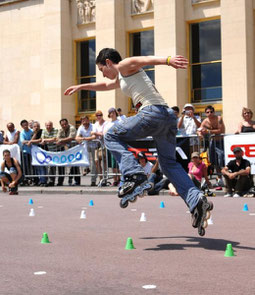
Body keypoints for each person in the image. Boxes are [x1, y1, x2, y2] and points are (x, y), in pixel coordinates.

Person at [64, 48, 213, 235]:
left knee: (111, 135)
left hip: (151, 114)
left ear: (109, 62)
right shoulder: (123, 77)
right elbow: (105, 85)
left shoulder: (124, 66)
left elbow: (142, 59)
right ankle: (196, 199)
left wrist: (167, 60)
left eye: (102, 69)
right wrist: (81, 87)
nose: (104, 74)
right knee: (167, 164)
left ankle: (134, 175)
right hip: (167, 119)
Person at [198, 105, 225, 189]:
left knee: (221, 159)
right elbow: (199, 129)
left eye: (211, 112)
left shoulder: (219, 118)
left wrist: (208, 131)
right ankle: (218, 178)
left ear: (214, 112)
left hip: (220, 141)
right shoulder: (205, 121)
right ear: (205, 113)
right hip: (212, 142)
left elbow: (221, 130)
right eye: (207, 112)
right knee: (213, 161)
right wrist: (200, 134)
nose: (210, 113)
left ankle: (223, 177)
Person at [56, 118, 80, 186]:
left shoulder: (72, 128)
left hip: (74, 149)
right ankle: (61, 181)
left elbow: (71, 137)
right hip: (65, 149)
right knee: (61, 165)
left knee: (75, 165)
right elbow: (57, 138)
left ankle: (76, 181)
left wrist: (61, 141)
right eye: (62, 125)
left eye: (65, 124)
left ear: (67, 123)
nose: (64, 126)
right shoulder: (60, 130)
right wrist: (63, 143)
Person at [76, 116, 98, 186]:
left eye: (85, 120)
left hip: (94, 145)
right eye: (83, 121)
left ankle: (93, 180)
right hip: (86, 146)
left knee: (95, 162)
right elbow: (77, 137)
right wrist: (79, 139)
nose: (84, 122)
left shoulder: (93, 126)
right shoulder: (81, 127)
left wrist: (84, 138)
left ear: (88, 120)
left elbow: (94, 137)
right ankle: (86, 167)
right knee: (84, 157)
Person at [27, 121, 47, 186]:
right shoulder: (33, 133)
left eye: (37, 126)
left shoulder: (42, 131)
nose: (36, 127)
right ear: (32, 127)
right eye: (35, 126)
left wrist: (31, 141)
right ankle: (40, 180)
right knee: (37, 167)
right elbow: (32, 141)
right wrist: (35, 134)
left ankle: (43, 181)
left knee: (42, 167)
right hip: (36, 153)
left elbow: (40, 140)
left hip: (43, 152)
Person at [91, 110, 108, 186]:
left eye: (100, 115)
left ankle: (105, 178)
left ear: (102, 115)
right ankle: (101, 179)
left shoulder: (106, 123)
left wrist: (95, 133)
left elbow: (103, 134)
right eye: (97, 115)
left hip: (104, 145)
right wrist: (95, 134)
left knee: (104, 163)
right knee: (97, 162)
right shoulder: (95, 124)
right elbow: (93, 135)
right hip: (97, 146)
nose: (98, 117)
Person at [105, 108, 120, 186]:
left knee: (118, 163)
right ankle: (115, 180)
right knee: (112, 164)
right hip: (109, 145)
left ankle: (120, 179)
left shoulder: (120, 122)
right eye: (110, 113)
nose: (112, 114)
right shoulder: (108, 124)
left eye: (113, 112)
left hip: (117, 145)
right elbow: (105, 133)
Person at [40, 121, 59, 186]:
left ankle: (56, 181)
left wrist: (45, 140)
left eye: (50, 125)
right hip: (48, 150)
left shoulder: (55, 130)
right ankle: (50, 180)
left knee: (56, 166)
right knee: (50, 166)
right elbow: (42, 138)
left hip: (56, 150)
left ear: (52, 125)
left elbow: (55, 138)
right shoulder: (44, 131)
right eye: (47, 125)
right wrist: (44, 140)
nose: (48, 127)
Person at [19, 119, 34, 185]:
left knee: (33, 166)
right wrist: (30, 141)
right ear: (22, 126)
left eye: (26, 125)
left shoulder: (32, 131)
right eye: (23, 125)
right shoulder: (22, 133)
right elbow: (22, 141)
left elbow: (35, 139)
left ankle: (33, 179)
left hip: (33, 152)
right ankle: (27, 179)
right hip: (25, 152)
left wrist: (29, 141)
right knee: (26, 166)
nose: (25, 126)